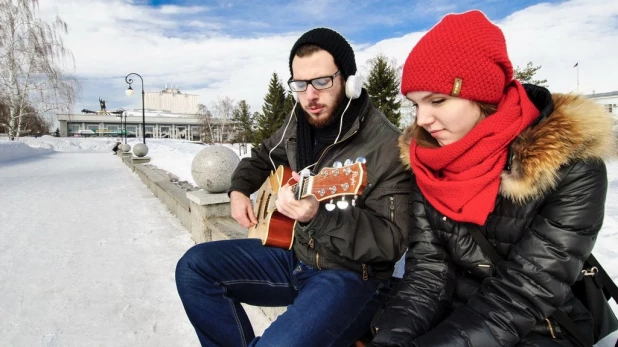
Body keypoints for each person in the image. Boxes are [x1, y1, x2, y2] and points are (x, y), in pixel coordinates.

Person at [368, 10, 617, 347]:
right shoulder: (426, 161)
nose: (423, 119)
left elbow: (524, 294)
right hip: (452, 321)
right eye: (415, 104)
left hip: (541, 329)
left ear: (483, 95)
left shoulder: (569, 165)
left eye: (437, 100)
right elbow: (428, 274)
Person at [175, 27, 413, 346]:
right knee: (194, 268)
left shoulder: (386, 146)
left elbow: (391, 243)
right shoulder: (299, 121)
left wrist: (319, 216)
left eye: (321, 82)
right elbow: (262, 154)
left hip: (352, 275)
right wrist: (239, 190)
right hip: (295, 255)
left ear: (350, 81)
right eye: (299, 84)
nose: (309, 96)